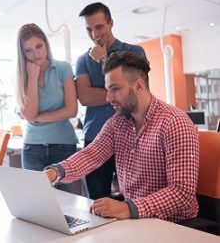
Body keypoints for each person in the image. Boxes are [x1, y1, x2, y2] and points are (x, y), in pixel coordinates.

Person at [45, 51, 199, 222]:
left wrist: (128, 208)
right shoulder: (117, 123)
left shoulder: (175, 123)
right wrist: (54, 173)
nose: (108, 97)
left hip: (173, 225)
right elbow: (91, 155)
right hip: (135, 220)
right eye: (108, 90)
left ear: (139, 85)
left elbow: (182, 193)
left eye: (115, 89)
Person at [75, 2, 146, 199]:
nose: (95, 35)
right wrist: (120, 91)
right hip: (95, 137)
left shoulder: (134, 53)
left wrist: (103, 60)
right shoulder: (82, 60)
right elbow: (85, 97)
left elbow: (137, 92)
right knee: (98, 202)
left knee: (134, 199)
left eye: (99, 27)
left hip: (131, 136)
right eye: (89, 29)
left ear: (110, 23)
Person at [16, 23, 81, 194]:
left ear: (46, 44)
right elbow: (29, 113)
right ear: (22, 53)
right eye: (28, 50)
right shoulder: (22, 76)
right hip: (33, 147)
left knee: (71, 204)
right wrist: (32, 77)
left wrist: (37, 118)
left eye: (39, 46)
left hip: (63, 146)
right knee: (35, 204)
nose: (36, 54)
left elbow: (71, 110)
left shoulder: (63, 68)